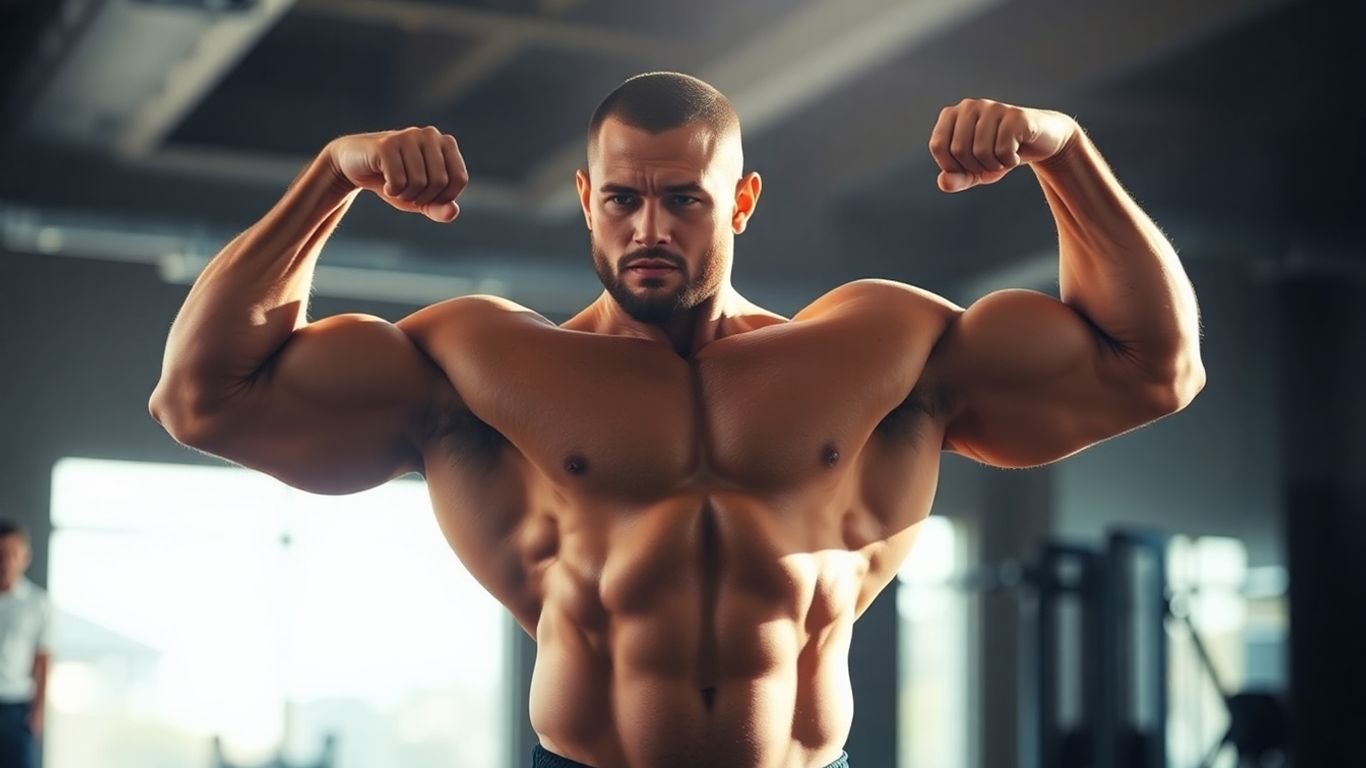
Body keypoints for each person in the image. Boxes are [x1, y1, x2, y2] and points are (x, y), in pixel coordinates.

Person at [149, 72, 1205, 768]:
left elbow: (1155, 367)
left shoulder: (878, 347)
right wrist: (330, 178)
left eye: (685, 200)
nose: (649, 227)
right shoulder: (479, 361)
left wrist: (1060, 150)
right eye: (622, 200)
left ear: (739, 201)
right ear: (585, 197)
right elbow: (202, 397)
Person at [0, 519, 50, 768]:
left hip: (16, 707)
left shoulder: (37, 604)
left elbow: (43, 660)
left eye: (13, 554)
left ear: (25, 556)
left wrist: (39, 710)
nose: (5, 562)